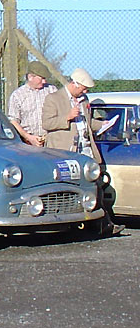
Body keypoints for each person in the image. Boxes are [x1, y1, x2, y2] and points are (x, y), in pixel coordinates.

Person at [42, 67, 124, 236]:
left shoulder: (83, 99)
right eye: (84, 88)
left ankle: (103, 225)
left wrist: (102, 125)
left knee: (95, 185)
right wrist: (67, 117)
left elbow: (86, 122)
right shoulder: (53, 99)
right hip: (63, 152)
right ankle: (65, 225)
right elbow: (47, 124)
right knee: (66, 188)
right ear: (75, 84)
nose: (85, 92)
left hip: (84, 149)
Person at [7, 61, 57, 147]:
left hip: (50, 141)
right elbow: (14, 121)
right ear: (30, 77)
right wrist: (29, 137)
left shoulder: (51, 90)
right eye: (41, 78)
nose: (44, 81)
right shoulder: (18, 96)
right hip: (27, 143)